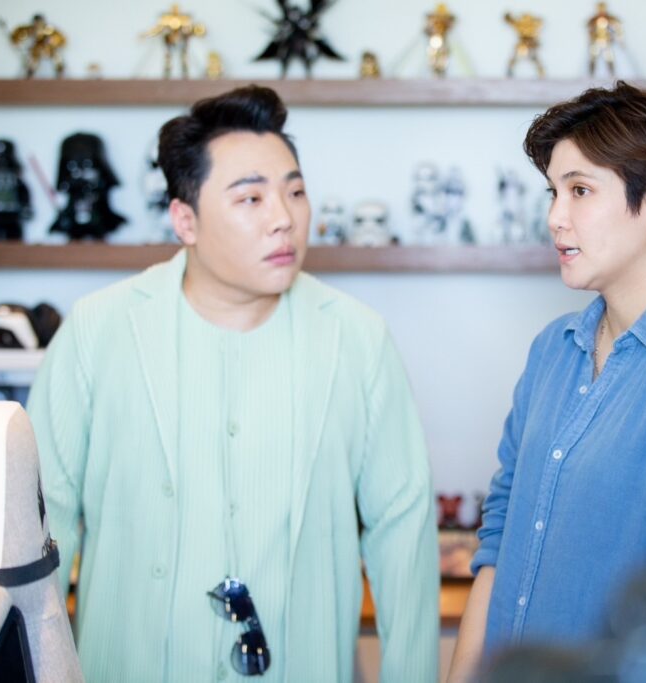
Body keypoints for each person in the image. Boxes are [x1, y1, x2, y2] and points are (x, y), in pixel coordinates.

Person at [27, 85, 439, 682]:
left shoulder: (357, 338)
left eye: (295, 192)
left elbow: (403, 531)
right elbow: (43, 529)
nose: (284, 218)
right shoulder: (99, 330)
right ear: (185, 220)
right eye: (251, 198)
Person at [448, 82, 646, 681]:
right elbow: (500, 537)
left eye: (580, 191)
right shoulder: (553, 349)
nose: (554, 218)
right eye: (554, 192)